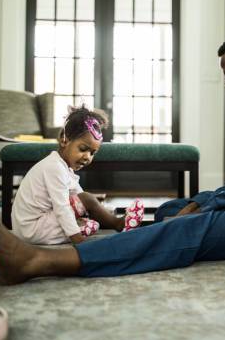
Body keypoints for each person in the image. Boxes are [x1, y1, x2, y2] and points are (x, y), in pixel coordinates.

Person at [0, 29, 225, 285]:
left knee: (190, 223)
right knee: (172, 210)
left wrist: (205, 207)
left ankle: (39, 261)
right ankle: (145, 242)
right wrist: (204, 201)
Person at [11, 105, 143, 245]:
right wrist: (77, 239)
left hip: (33, 227)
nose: (87, 157)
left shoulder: (63, 167)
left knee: (87, 204)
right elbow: (63, 207)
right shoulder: (54, 167)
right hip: (32, 229)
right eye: (83, 149)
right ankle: (118, 223)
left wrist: (97, 209)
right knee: (86, 200)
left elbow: (78, 194)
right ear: (64, 140)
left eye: (92, 153)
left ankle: (104, 222)